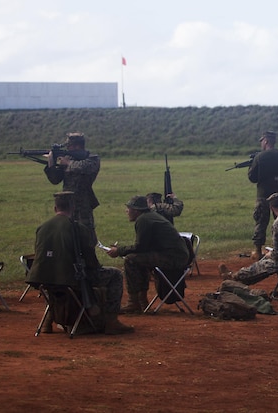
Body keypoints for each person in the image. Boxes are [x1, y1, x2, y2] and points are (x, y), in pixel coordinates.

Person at [27, 191, 132, 335]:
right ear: (74, 207)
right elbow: (90, 259)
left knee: (54, 284)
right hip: (71, 278)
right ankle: (111, 321)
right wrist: (96, 268)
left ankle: (47, 322)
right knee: (116, 275)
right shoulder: (78, 228)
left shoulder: (42, 228)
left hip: (43, 279)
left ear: (55, 208)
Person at [107, 195, 190, 314]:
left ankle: (134, 302)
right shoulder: (149, 217)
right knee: (139, 259)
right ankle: (141, 302)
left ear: (136, 210)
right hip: (177, 255)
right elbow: (143, 247)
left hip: (173, 258)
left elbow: (140, 247)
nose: (127, 211)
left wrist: (119, 251)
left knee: (131, 260)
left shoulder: (144, 220)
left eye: (128, 208)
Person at [221, 193, 278, 285]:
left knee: (263, 265)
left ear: (271, 208)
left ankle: (234, 277)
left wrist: (269, 255)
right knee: (277, 260)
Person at [247, 130, 278, 259]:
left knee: (261, 222)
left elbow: (252, 178)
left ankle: (257, 251)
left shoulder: (260, 157)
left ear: (265, 141)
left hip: (263, 195)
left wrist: (251, 166)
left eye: (262, 141)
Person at [43, 132, 101, 233]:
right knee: (68, 231)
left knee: (86, 233)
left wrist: (68, 163)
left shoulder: (92, 159)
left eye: (69, 146)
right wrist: (51, 164)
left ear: (77, 146)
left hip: (83, 203)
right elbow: (55, 180)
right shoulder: (68, 158)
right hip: (66, 203)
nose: (67, 149)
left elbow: (86, 168)